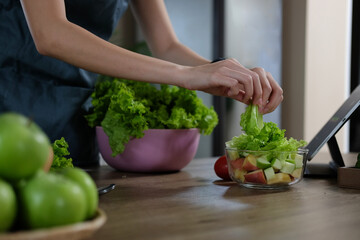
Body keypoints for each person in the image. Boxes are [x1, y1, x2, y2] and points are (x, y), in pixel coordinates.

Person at [0, 0, 283, 167]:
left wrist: (224, 73)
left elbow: (166, 44)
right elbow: (50, 34)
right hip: (10, 106)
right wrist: (186, 76)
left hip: (72, 113)